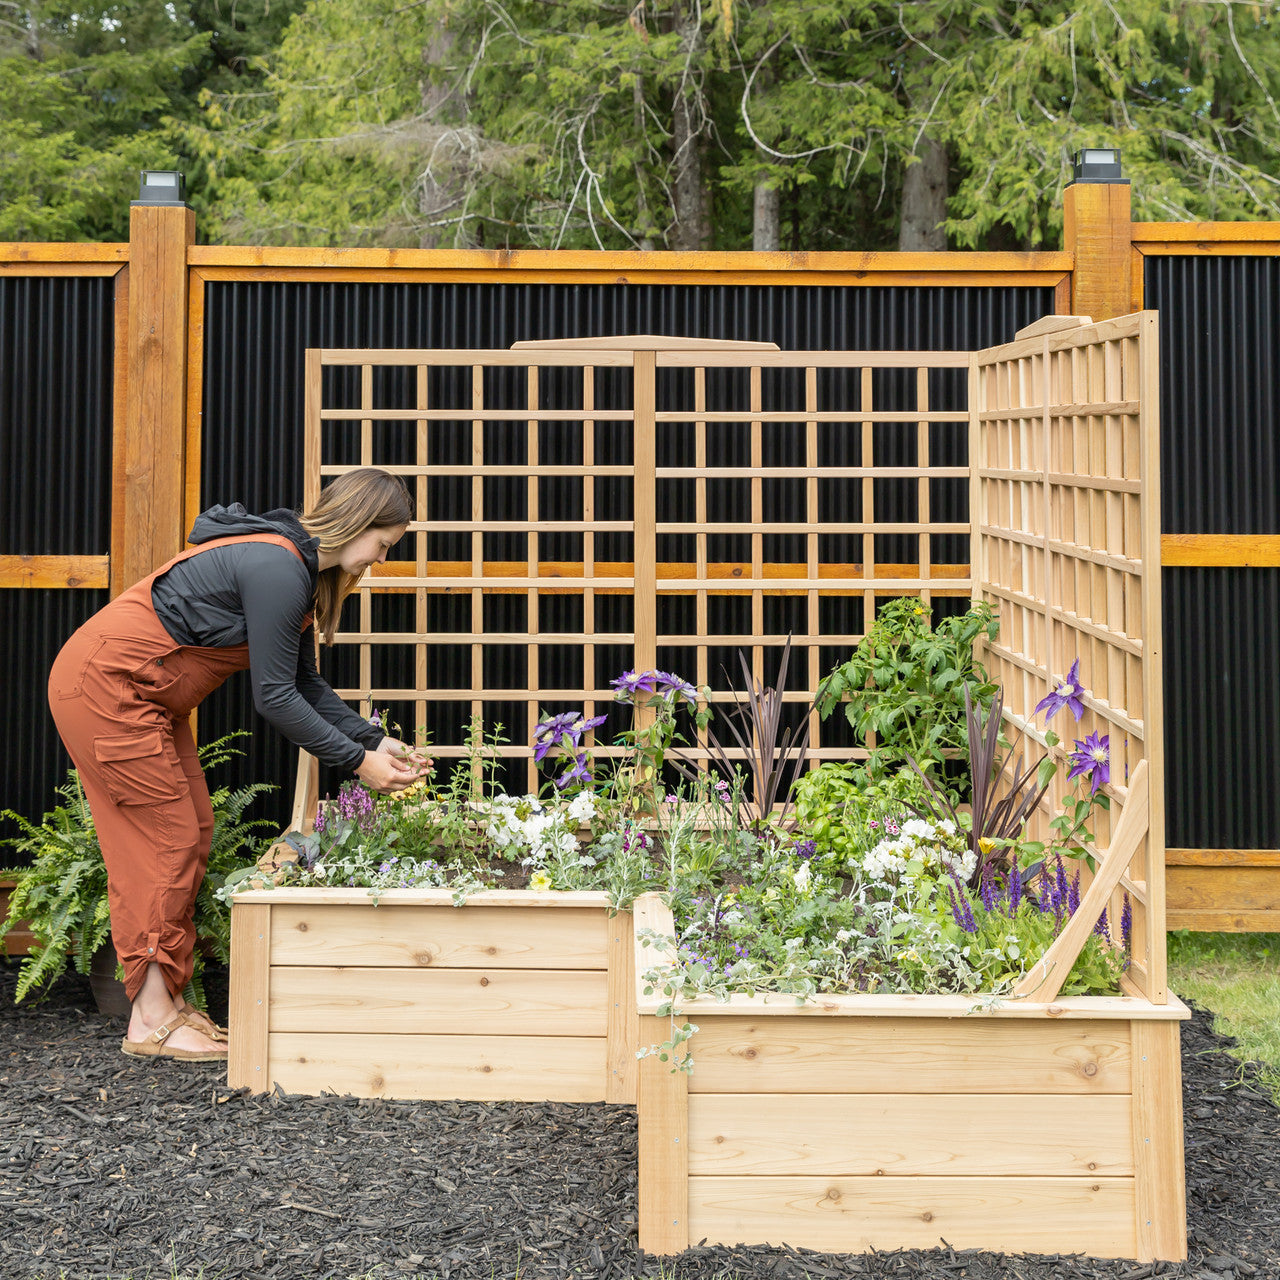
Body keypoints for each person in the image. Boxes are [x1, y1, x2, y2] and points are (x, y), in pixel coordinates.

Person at [48, 468, 428, 1063]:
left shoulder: (295, 569)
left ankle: (166, 1004)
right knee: (164, 838)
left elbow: (304, 682)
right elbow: (274, 697)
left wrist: (373, 741)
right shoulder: (278, 567)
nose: (378, 560)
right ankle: (149, 1020)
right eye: (382, 545)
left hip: (144, 697)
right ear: (357, 521)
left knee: (192, 827)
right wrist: (357, 764)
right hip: (109, 689)